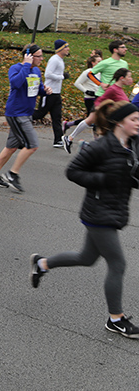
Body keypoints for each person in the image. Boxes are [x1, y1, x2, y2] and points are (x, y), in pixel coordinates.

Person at [30, 100, 139, 339]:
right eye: (134, 119)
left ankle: (42, 264)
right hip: (99, 212)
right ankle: (116, 320)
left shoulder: (130, 145)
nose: (138, 123)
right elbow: (73, 172)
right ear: (120, 121)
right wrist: (103, 179)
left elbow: (129, 175)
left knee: (86, 258)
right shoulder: (101, 146)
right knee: (118, 264)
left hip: (113, 210)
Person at [0, 44, 51, 192]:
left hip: (26, 113)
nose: (41, 58)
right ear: (28, 56)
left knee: (12, 146)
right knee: (32, 145)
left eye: (41, 56)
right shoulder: (16, 68)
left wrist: (45, 90)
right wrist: (26, 66)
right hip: (16, 113)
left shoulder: (36, 71)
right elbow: (16, 83)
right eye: (39, 56)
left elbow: (36, 89)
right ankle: (13, 174)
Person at [32, 39, 70, 148]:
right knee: (40, 114)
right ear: (60, 49)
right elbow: (48, 74)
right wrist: (62, 77)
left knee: (57, 117)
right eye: (66, 47)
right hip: (48, 93)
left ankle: (58, 140)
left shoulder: (60, 60)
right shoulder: (54, 60)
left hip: (56, 93)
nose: (68, 49)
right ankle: (21, 119)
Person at [64, 53, 102, 140]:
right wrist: (86, 91)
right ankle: (96, 140)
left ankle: (68, 124)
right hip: (89, 98)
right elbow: (77, 83)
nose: (101, 63)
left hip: (98, 98)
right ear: (93, 63)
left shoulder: (101, 73)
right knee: (93, 119)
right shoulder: (88, 72)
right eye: (99, 61)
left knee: (91, 119)